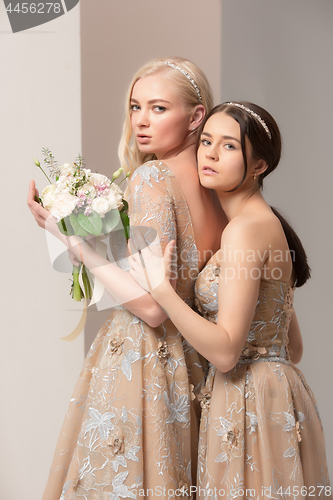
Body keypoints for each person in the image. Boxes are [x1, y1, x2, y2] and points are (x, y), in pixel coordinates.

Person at [27, 57, 227, 499]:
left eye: (158, 108)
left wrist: (72, 243)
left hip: (144, 360)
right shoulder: (219, 187)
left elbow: (152, 306)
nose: (140, 121)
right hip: (194, 361)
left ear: (196, 117)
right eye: (135, 107)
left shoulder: (153, 177)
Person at [128, 102, 332, 495]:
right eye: (206, 141)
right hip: (274, 392)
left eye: (229, 146)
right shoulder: (262, 223)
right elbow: (293, 346)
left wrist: (161, 291)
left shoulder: (245, 231)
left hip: (248, 398)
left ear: (259, 166)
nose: (210, 153)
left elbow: (225, 353)